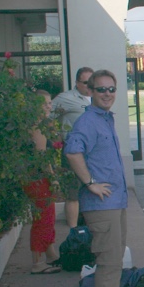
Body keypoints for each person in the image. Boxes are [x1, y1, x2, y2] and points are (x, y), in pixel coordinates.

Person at [64, 69, 140, 287]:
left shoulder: (105, 119)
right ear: (91, 92)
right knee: (108, 263)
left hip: (115, 201)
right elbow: (73, 152)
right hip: (101, 205)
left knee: (115, 261)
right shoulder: (88, 122)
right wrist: (90, 183)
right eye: (101, 89)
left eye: (111, 89)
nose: (107, 94)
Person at [51, 66, 93, 234]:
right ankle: (73, 233)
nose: (89, 86)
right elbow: (44, 114)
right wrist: (56, 135)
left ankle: (91, 227)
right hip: (74, 152)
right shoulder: (66, 98)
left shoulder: (99, 96)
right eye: (85, 83)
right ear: (77, 82)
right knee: (73, 192)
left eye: (92, 82)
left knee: (92, 189)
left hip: (94, 153)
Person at [26, 90, 61, 274]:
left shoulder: (39, 124)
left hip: (35, 178)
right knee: (43, 219)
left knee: (48, 217)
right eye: (44, 103)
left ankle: (51, 254)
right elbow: (42, 158)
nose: (49, 106)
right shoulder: (37, 128)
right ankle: (38, 263)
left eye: (49, 103)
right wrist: (53, 177)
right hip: (38, 179)